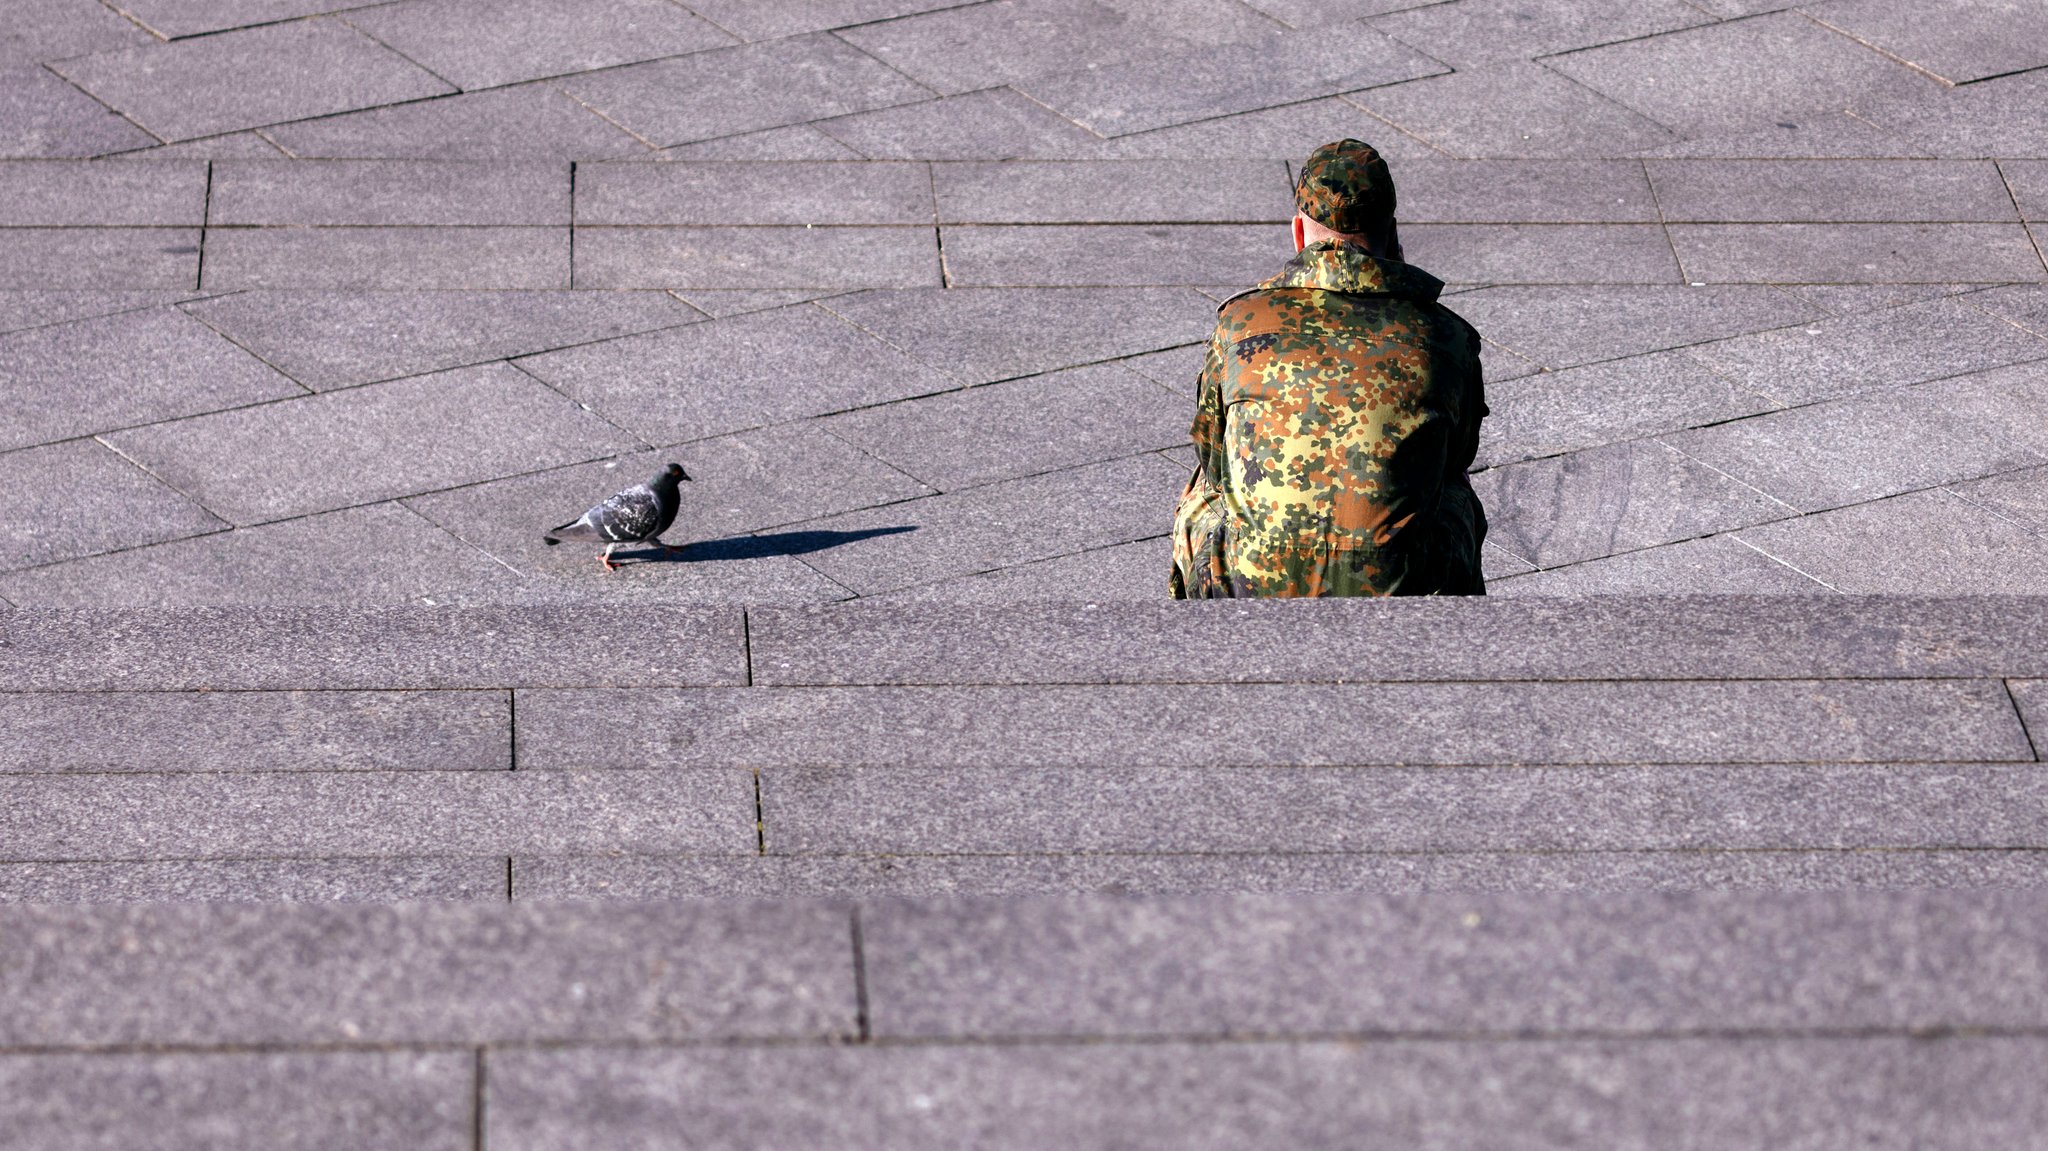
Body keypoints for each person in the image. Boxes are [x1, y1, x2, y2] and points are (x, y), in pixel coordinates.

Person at [1170, 139, 1489, 598]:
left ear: (1299, 233)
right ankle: (1457, 642)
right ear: (1394, 233)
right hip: (1402, 586)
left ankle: (1200, 645)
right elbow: (1458, 455)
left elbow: (1212, 456)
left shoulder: (1240, 323)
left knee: (1204, 492)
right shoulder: (1445, 336)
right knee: (1453, 490)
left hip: (1252, 582)